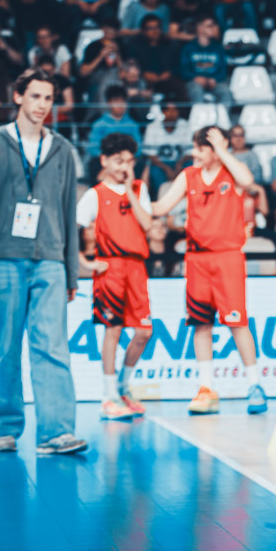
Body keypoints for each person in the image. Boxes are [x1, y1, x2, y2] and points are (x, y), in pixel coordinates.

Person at [0, 69, 88, 456]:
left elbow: (68, 213)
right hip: (5, 261)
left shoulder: (62, 149)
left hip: (51, 262)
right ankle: (5, 427)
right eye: (35, 96)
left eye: (48, 98)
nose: (42, 105)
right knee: (5, 348)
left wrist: (71, 271)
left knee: (52, 347)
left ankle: (56, 432)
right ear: (18, 96)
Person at [152, 126, 267, 415]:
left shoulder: (231, 174)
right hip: (197, 260)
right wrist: (130, 196)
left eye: (201, 148)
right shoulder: (188, 175)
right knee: (201, 325)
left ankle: (254, 385)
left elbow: (248, 181)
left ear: (215, 150)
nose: (195, 153)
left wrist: (223, 151)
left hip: (227, 258)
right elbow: (162, 207)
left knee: (238, 323)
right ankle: (206, 389)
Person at [75, 133, 152, 421]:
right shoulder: (94, 194)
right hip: (110, 268)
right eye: (119, 161)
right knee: (113, 330)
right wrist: (85, 262)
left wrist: (130, 189)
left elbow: (147, 224)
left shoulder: (139, 188)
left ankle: (122, 386)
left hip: (137, 267)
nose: (124, 167)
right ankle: (108, 396)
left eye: (129, 162)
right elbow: (72, 228)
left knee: (144, 332)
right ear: (104, 160)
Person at [180, 14, 230, 105]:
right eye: (209, 26)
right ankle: (199, 114)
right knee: (195, 90)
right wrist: (194, 78)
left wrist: (215, 79)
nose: (213, 28)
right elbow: (183, 69)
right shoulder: (188, 48)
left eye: (214, 25)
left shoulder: (218, 48)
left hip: (215, 81)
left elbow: (223, 69)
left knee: (226, 92)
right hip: (195, 81)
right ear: (199, 28)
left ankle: (224, 114)